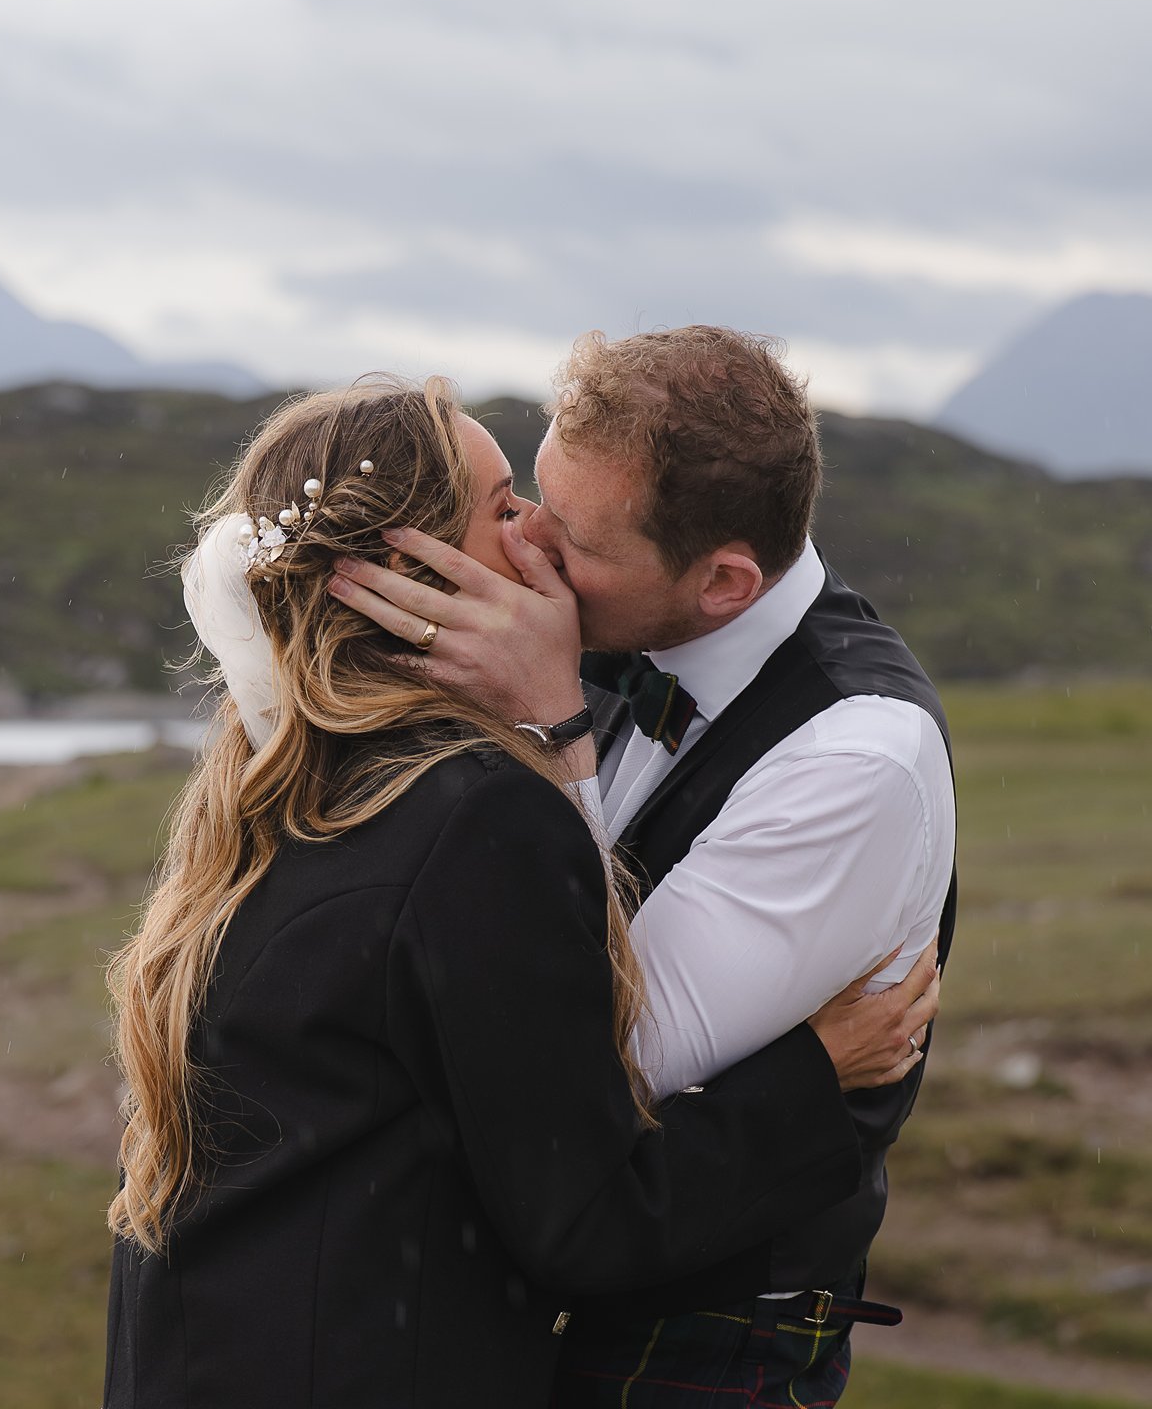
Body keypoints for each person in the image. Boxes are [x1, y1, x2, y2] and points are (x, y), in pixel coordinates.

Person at [102, 374, 938, 1408]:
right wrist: (819, 1076)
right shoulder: (479, 813)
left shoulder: (277, 774)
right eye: (506, 508)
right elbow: (587, 1202)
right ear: (410, 577)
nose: (535, 539)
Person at [329, 328, 957, 1406]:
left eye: (569, 542)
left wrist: (553, 729)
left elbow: (604, 1062)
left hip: (698, 1342)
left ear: (723, 583)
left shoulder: (859, 758)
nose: (524, 548)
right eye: (529, 501)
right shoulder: (612, 621)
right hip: (525, 1292)